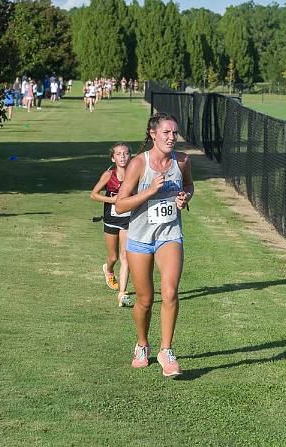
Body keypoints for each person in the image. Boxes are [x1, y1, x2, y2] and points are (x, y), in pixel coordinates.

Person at [115, 113, 193, 377]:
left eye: (174, 133)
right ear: (153, 134)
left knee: (170, 292)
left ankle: (166, 350)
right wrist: (149, 192)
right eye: (166, 133)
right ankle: (142, 344)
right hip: (140, 237)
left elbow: (190, 186)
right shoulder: (139, 164)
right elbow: (120, 204)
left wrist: (185, 197)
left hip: (169, 234)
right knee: (145, 300)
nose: (172, 138)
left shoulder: (181, 161)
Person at [90, 143, 133, 308]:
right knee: (114, 257)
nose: (122, 156)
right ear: (113, 158)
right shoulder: (109, 175)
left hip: (128, 220)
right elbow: (93, 195)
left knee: (125, 256)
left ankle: (122, 293)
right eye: (119, 154)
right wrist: (113, 200)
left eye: (126, 153)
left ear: (130, 156)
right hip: (111, 219)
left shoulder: (134, 174)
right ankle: (108, 270)